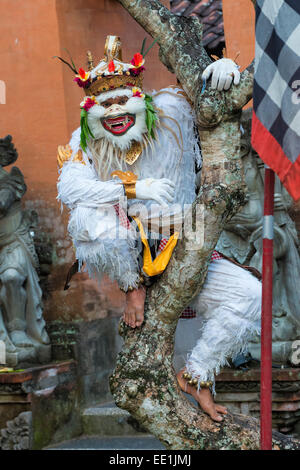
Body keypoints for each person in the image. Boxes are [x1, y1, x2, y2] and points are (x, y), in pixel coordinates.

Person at [57, 36, 261, 422]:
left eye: (122, 101)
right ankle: (134, 291)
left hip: (186, 239)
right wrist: (132, 188)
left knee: (251, 294)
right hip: (129, 247)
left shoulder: (171, 109)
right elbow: (69, 187)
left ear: (140, 98)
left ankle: (197, 375)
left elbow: (210, 101)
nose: (115, 111)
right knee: (86, 217)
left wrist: (224, 71)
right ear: (91, 110)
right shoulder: (85, 139)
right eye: (105, 105)